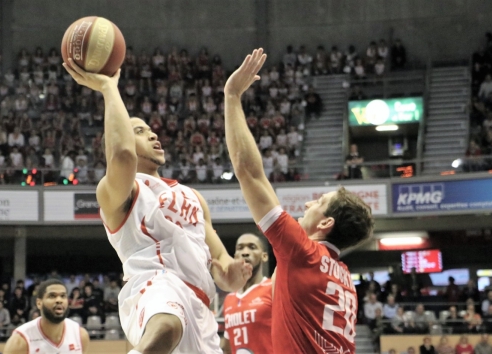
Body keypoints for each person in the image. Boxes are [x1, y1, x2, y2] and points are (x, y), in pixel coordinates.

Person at [63, 59, 252, 354]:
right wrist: (107, 87)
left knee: (173, 326)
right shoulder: (118, 192)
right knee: (167, 325)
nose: (152, 134)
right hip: (153, 285)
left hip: (202, 308)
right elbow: (123, 154)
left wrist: (232, 274)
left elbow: (219, 260)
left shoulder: (193, 197)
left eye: (150, 129)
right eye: (139, 131)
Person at [224, 48, 374, 353]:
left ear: (326, 222)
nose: (307, 206)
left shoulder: (303, 253)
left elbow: (249, 172)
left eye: (317, 202)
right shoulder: (343, 278)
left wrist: (232, 96)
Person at [3, 279, 89, 354]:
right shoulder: (19, 341)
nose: (59, 300)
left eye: (63, 296)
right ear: (39, 303)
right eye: (52, 296)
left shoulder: (80, 335)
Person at [221, 234, 273, 354]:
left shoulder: (273, 287)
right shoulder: (229, 299)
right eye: (240, 248)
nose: (245, 252)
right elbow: (227, 347)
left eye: (252, 247)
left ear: (264, 256)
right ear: (235, 257)